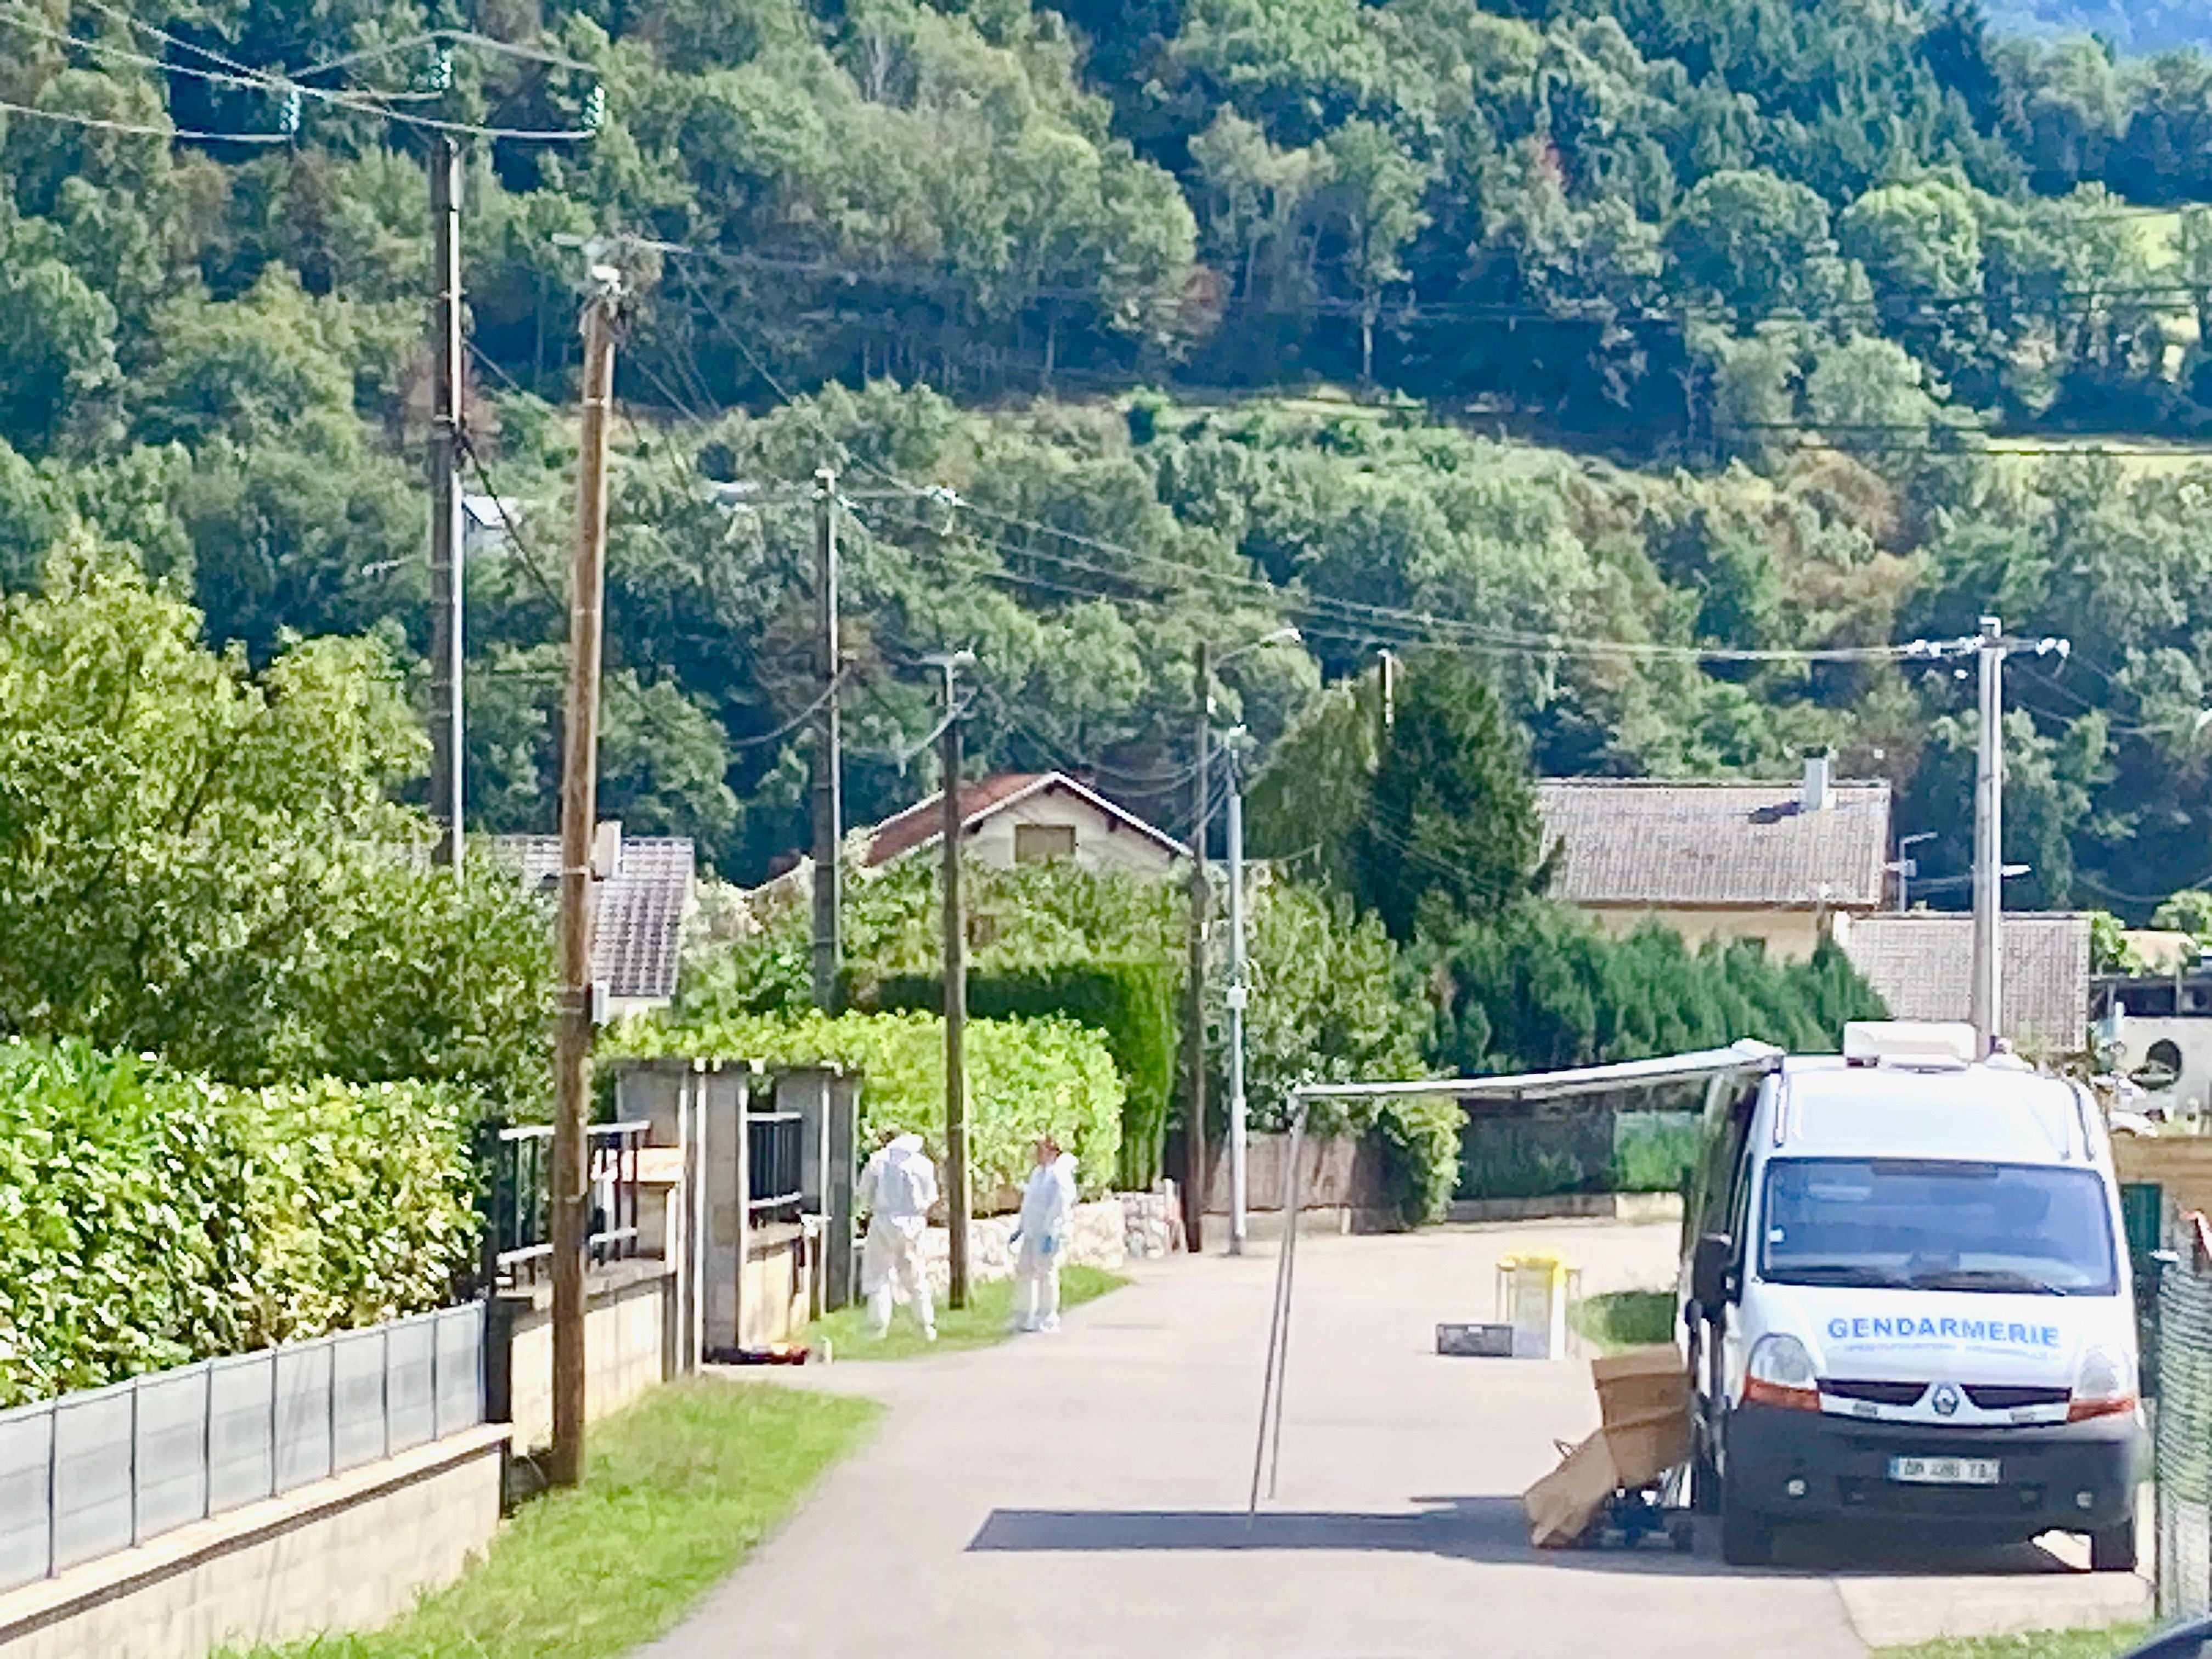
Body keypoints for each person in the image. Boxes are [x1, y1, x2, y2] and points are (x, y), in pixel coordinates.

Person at [856, 1129, 940, 1341]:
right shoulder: (924, 1164)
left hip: (884, 1220)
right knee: (915, 1273)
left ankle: (878, 1327)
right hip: (914, 1222)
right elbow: (931, 1196)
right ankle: (926, 1325)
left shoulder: (879, 1161)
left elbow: (864, 1191)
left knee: (878, 1273)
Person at [1012, 1135, 1079, 1334]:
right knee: (1025, 1272)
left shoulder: (1059, 1176)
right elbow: (1030, 1202)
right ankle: (1026, 1316)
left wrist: (1052, 1231)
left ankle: (1048, 1317)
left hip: (1048, 1233)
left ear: (1052, 1152)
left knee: (1046, 1274)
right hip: (1033, 1231)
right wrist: (1022, 1227)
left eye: (1041, 1150)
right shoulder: (1037, 1174)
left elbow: (1060, 1205)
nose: (1037, 1154)